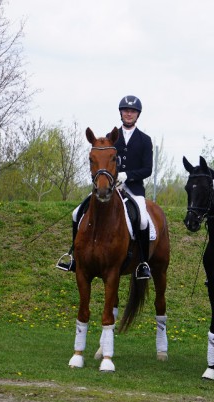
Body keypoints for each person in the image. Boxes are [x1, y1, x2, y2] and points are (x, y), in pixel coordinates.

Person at [57, 95, 154, 280]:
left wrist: (128, 175)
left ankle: (142, 263)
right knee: (77, 213)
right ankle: (74, 258)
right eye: (126, 110)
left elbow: (148, 169)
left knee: (142, 220)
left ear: (137, 115)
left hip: (133, 189)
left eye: (132, 111)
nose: (129, 114)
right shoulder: (110, 138)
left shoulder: (144, 140)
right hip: (108, 187)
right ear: (121, 113)